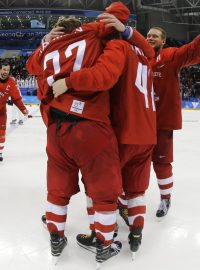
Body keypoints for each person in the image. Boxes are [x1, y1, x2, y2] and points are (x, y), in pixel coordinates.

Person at [26, 3, 132, 267]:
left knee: (57, 189)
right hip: (90, 125)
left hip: (56, 130)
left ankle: (56, 238)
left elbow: (32, 67)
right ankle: (105, 245)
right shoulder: (103, 38)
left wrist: (45, 42)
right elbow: (105, 76)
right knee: (104, 190)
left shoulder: (49, 47)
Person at [51, 29, 156, 258]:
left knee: (96, 184)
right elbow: (147, 47)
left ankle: (99, 234)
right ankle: (136, 235)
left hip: (124, 130)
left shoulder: (117, 48)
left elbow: (103, 76)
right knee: (136, 189)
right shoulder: (146, 55)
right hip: (148, 131)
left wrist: (69, 81)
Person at [98, 14, 200, 219]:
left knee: (161, 163)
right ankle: (124, 199)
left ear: (163, 41)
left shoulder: (171, 56)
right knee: (128, 163)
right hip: (136, 123)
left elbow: (193, 50)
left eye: (155, 36)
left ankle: (165, 197)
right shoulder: (135, 55)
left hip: (160, 123)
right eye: (148, 35)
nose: (150, 38)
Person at [0, 61, 28, 162]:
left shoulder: (11, 82)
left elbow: (16, 98)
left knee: (1, 133)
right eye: (4, 69)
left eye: (7, 70)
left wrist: (23, 109)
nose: (6, 72)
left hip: (1, 112)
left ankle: (0, 153)